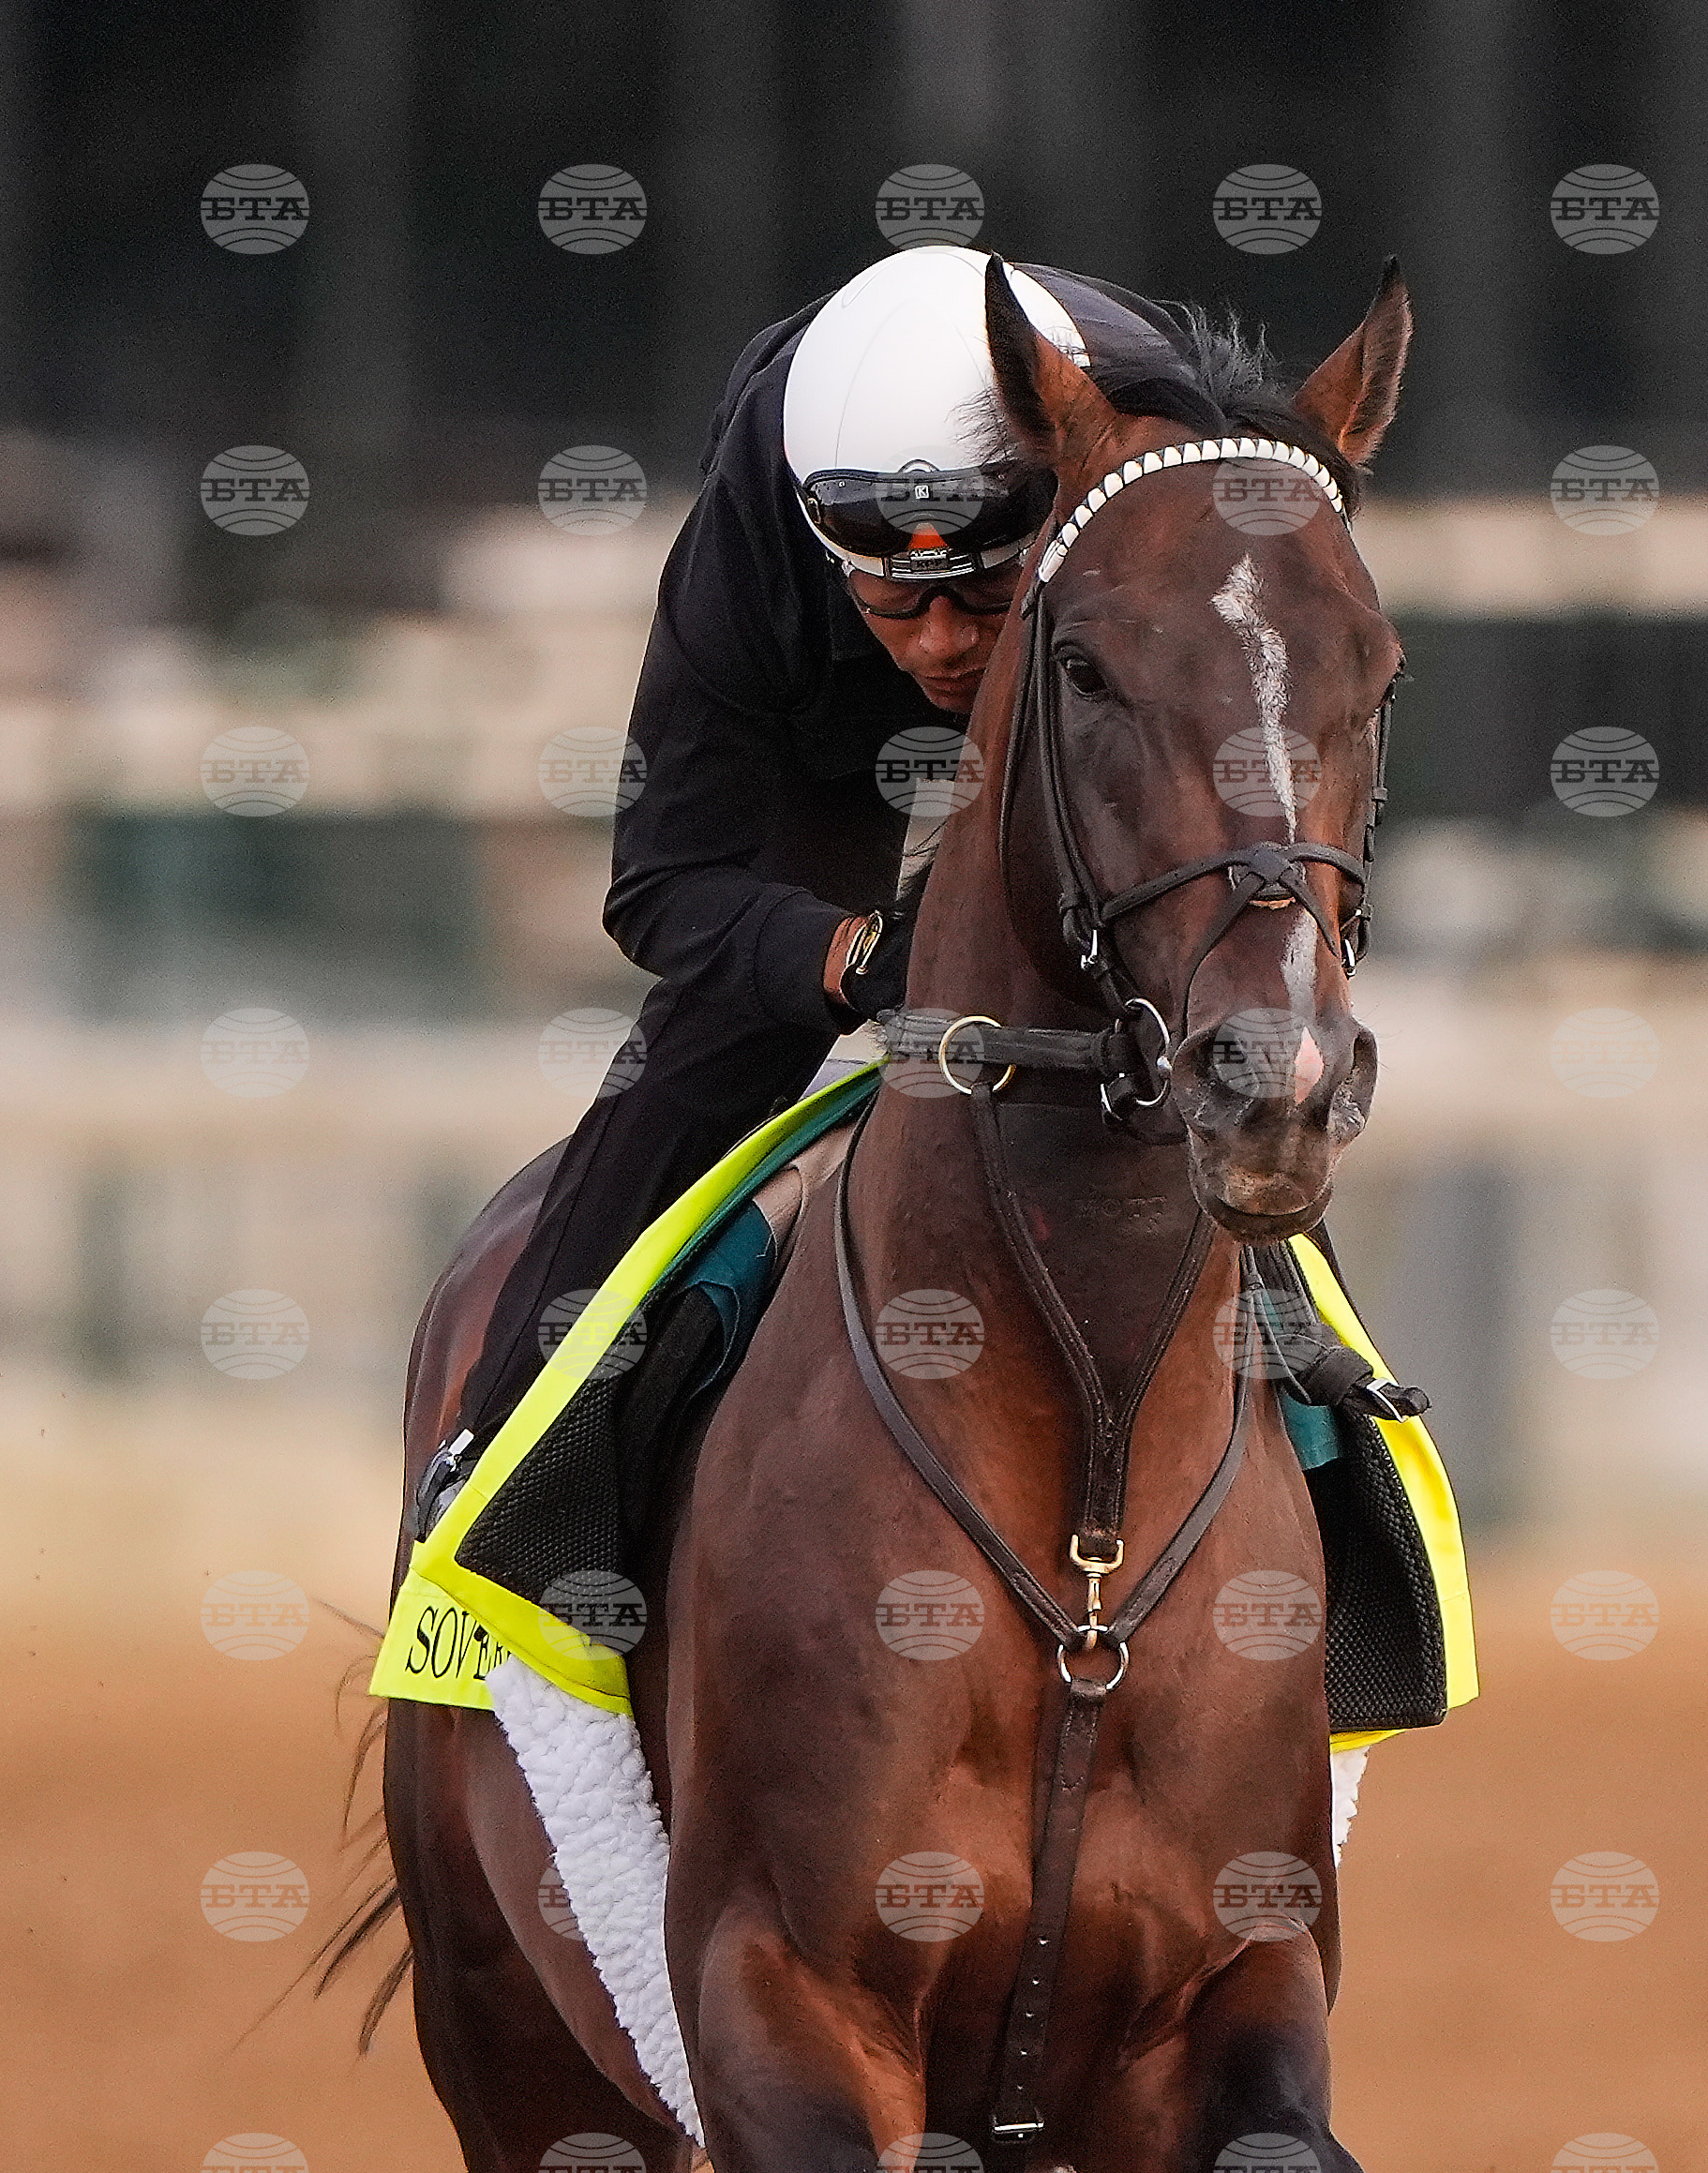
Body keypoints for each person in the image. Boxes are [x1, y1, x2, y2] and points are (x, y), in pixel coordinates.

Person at [451, 245, 1191, 1461]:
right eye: (897, 598)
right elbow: (663, 888)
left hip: (1102, 655)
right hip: (831, 695)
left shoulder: (1166, 448)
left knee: (1214, 1025)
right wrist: (855, 956)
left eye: (975, 592)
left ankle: (1364, 1494)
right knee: (728, 1029)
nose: (941, 644)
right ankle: (502, 1458)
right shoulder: (758, 536)